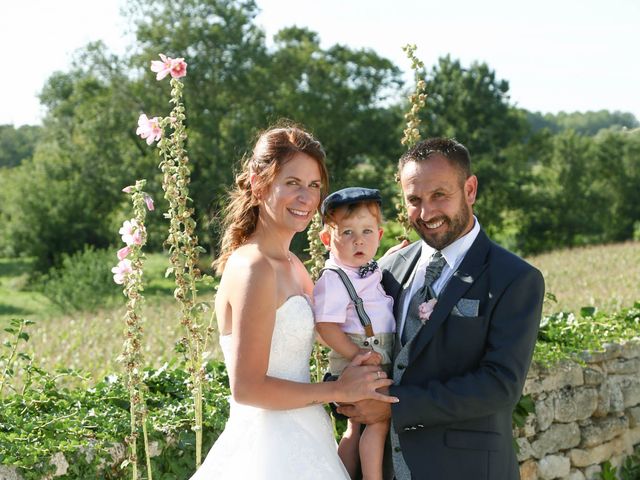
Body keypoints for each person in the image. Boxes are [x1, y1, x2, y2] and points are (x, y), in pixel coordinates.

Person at [191, 125, 398, 480]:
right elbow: (248, 388)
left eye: (314, 186)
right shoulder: (255, 267)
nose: (306, 198)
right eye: (292, 183)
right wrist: (338, 389)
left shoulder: (291, 264)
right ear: (259, 184)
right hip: (268, 449)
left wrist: (381, 265)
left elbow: (339, 304)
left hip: (307, 434)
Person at [337, 137, 545, 480]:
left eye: (439, 196)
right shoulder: (390, 269)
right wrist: (343, 392)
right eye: (414, 200)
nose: (426, 212)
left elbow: (499, 385)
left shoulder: (515, 278)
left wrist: (392, 405)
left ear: (470, 189)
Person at [313, 187, 396, 480]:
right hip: (360, 358)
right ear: (326, 239)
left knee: (355, 425)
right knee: (377, 422)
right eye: (346, 232)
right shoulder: (334, 278)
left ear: (379, 235)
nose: (358, 240)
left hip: (371, 354)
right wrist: (357, 354)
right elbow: (325, 326)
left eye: (367, 231)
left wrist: (389, 257)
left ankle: (343, 475)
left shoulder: (365, 269)